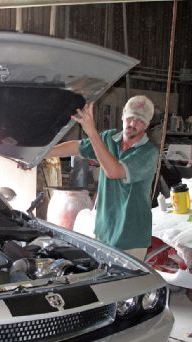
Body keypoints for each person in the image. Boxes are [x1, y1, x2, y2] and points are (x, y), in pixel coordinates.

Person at [46, 95, 158, 260]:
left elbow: (114, 171)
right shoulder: (109, 138)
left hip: (131, 238)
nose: (133, 124)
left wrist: (91, 131)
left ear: (147, 124)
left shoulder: (148, 152)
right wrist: (38, 155)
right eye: (130, 118)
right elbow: (75, 147)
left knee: (123, 285)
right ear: (123, 116)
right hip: (104, 232)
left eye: (140, 120)